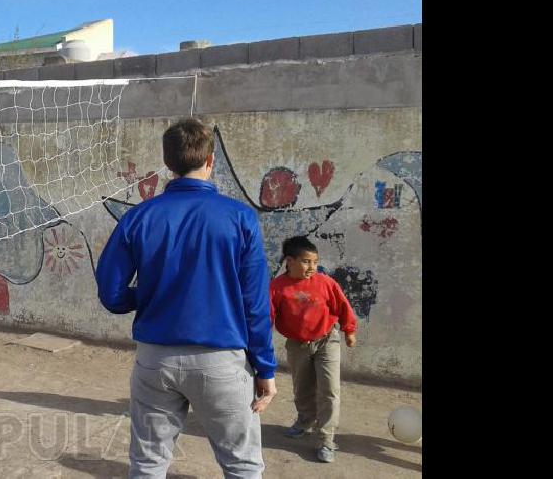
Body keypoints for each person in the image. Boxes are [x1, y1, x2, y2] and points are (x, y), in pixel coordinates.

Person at [95, 118, 277, 478]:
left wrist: (146, 295)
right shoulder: (240, 217)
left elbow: (111, 293)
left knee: (148, 464)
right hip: (222, 361)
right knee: (242, 465)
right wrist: (265, 368)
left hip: (155, 361)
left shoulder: (140, 216)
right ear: (211, 161)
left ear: (168, 164)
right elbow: (255, 303)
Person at [270, 236, 357, 464]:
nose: (312, 267)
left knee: (329, 390)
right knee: (302, 387)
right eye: (306, 262)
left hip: (327, 341)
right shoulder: (277, 287)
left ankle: (326, 440)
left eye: (315, 262)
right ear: (289, 261)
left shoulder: (325, 282)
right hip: (297, 345)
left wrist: (349, 330)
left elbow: (342, 305)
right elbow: (266, 316)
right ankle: (305, 421)